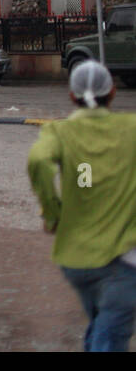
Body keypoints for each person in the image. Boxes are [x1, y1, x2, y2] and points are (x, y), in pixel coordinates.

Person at [28, 60, 136, 352]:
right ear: (112, 92)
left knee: (101, 325)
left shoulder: (58, 132)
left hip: (76, 261)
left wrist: (53, 215)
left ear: (72, 96)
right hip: (123, 259)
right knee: (110, 337)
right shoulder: (131, 128)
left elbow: (38, 161)